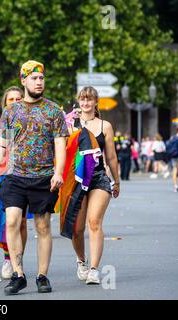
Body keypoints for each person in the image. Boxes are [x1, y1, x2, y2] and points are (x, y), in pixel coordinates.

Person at [0, 60, 68, 295]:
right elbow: (1, 144)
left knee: (43, 226)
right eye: (34, 78)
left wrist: (59, 172)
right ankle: (18, 273)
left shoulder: (53, 111)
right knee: (12, 220)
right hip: (14, 175)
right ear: (23, 80)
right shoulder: (11, 111)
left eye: (42, 78)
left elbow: (60, 145)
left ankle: (42, 276)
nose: (39, 82)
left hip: (43, 177)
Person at [58, 86, 120, 285]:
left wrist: (116, 181)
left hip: (99, 178)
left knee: (94, 222)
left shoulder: (105, 126)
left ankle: (94, 269)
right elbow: (62, 151)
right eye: (83, 99)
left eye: (89, 99)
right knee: (77, 228)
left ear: (95, 102)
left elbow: (111, 156)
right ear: (79, 101)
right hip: (77, 180)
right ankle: (81, 261)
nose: (86, 103)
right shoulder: (70, 125)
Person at [0, 86, 31, 280]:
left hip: (26, 175)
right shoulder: (1, 126)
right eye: (10, 100)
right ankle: (8, 258)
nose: (14, 102)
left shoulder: (30, 121)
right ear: (5, 104)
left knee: (21, 223)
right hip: (3, 176)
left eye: (17, 99)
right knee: (6, 221)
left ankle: (17, 260)